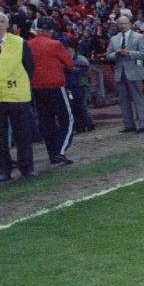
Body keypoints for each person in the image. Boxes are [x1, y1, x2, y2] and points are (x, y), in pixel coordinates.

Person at [28, 16, 74, 165]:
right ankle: (59, 151)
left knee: (46, 122)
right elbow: (69, 64)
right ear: (51, 30)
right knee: (67, 118)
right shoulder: (55, 44)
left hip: (36, 87)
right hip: (55, 85)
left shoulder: (28, 44)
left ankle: (52, 153)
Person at [0, 11, 37, 180]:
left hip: (17, 95)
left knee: (22, 133)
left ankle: (26, 167)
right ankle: (4, 170)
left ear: (7, 24)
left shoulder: (20, 42)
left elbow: (29, 68)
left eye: (1, 21)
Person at [106, 15, 144, 133]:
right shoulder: (114, 39)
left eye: (124, 23)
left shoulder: (139, 37)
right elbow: (108, 55)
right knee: (123, 100)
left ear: (130, 24)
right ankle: (128, 125)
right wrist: (116, 54)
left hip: (135, 71)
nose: (122, 25)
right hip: (120, 72)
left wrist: (128, 53)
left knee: (138, 98)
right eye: (120, 23)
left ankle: (142, 124)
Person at [66, 45, 95, 133]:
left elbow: (84, 72)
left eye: (70, 50)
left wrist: (72, 69)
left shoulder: (80, 60)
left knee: (82, 106)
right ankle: (79, 126)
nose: (68, 53)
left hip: (81, 85)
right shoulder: (66, 60)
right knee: (74, 107)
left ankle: (88, 124)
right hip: (71, 86)